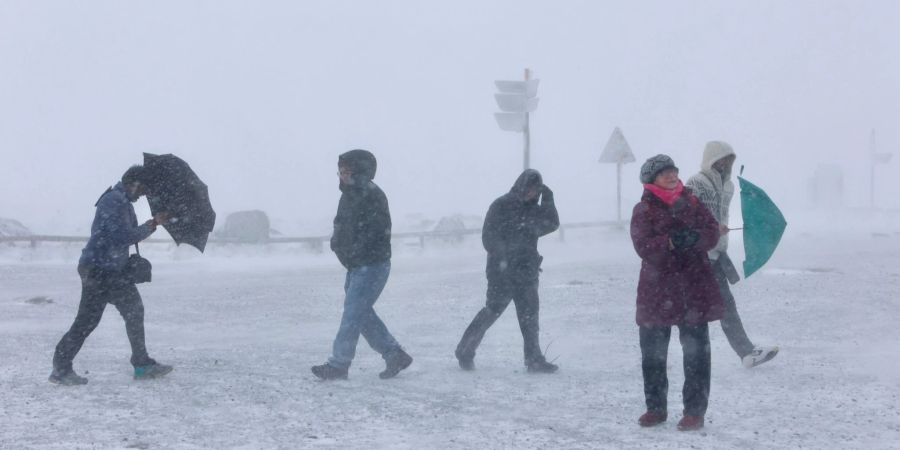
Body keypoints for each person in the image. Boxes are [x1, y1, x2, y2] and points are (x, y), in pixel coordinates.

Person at [50, 165, 172, 385]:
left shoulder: (122, 202)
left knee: (125, 312)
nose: (143, 194)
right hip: (100, 270)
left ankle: (140, 363)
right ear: (132, 183)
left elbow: (123, 237)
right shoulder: (113, 200)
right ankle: (62, 367)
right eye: (142, 188)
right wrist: (152, 224)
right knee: (91, 320)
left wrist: (153, 223)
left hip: (109, 270)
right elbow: (119, 237)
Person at [630, 154, 724, 431]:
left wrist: (697, 238)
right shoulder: (643, 209)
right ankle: (656, 408)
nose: (672, 176)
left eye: (674, 171)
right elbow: (642, 247)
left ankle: (694, 411)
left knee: (696, 353)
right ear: (651, 179)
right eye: (664, 173)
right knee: (653, 354)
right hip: (656, 290)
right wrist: (669, 242)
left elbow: (711, 232)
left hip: (693, 287)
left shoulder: (693, 201)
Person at [311, 149, 413, 380]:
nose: (341, 175)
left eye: (345, 171)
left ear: (357, 171)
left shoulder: (371, 194)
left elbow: (375, 232)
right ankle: (394, 353)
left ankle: (339, 364)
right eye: (339, 171)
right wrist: (337, 245)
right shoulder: (349, 195)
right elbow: (341, 225)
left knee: (352, 314)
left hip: (372, 265)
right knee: (360, 314)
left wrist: (355, 252)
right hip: (357, 265)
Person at [685, 141, 779, 368]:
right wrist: (707, 230)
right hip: (698, 256)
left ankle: (746, 353)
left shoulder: (728, 186)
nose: (725, 164)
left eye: (729, 159)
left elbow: (720, 215)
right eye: (721, 159)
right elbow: (686, 217)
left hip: (717, 253)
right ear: (711, 159)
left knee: (725, 307)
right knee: (693, 311)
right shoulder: (695, 183)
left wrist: (720, 230)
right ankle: (684, 356)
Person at [455, 169, 560, 373]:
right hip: (501, 272)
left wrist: (549, 198)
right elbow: (488, 237)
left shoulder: (535, 210)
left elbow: (552, 224)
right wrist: (505, 259)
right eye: (530, 188)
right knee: (491, 311)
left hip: (527, 271)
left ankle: (534, 360)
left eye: (536, 190)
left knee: (529, 317)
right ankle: (464, 350)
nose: (532, 193)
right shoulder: (501, 205)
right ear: (521, 185)